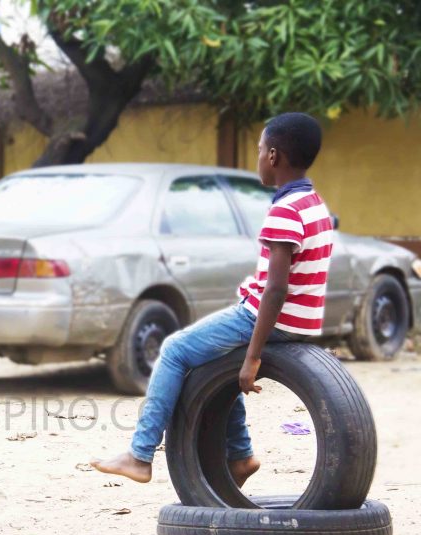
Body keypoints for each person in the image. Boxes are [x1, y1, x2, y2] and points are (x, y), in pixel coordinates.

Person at [92, 112, 333, 485]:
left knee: (173, 350)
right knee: (214, 363)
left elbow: (276, 288)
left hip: (269, 318)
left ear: (273, 156)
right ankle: (240, 456)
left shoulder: (284, 211)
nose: (257, 158)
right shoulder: (314, 203)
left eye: (258, 150)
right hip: (303, 320)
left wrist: (252, 357)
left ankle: (139, 455)